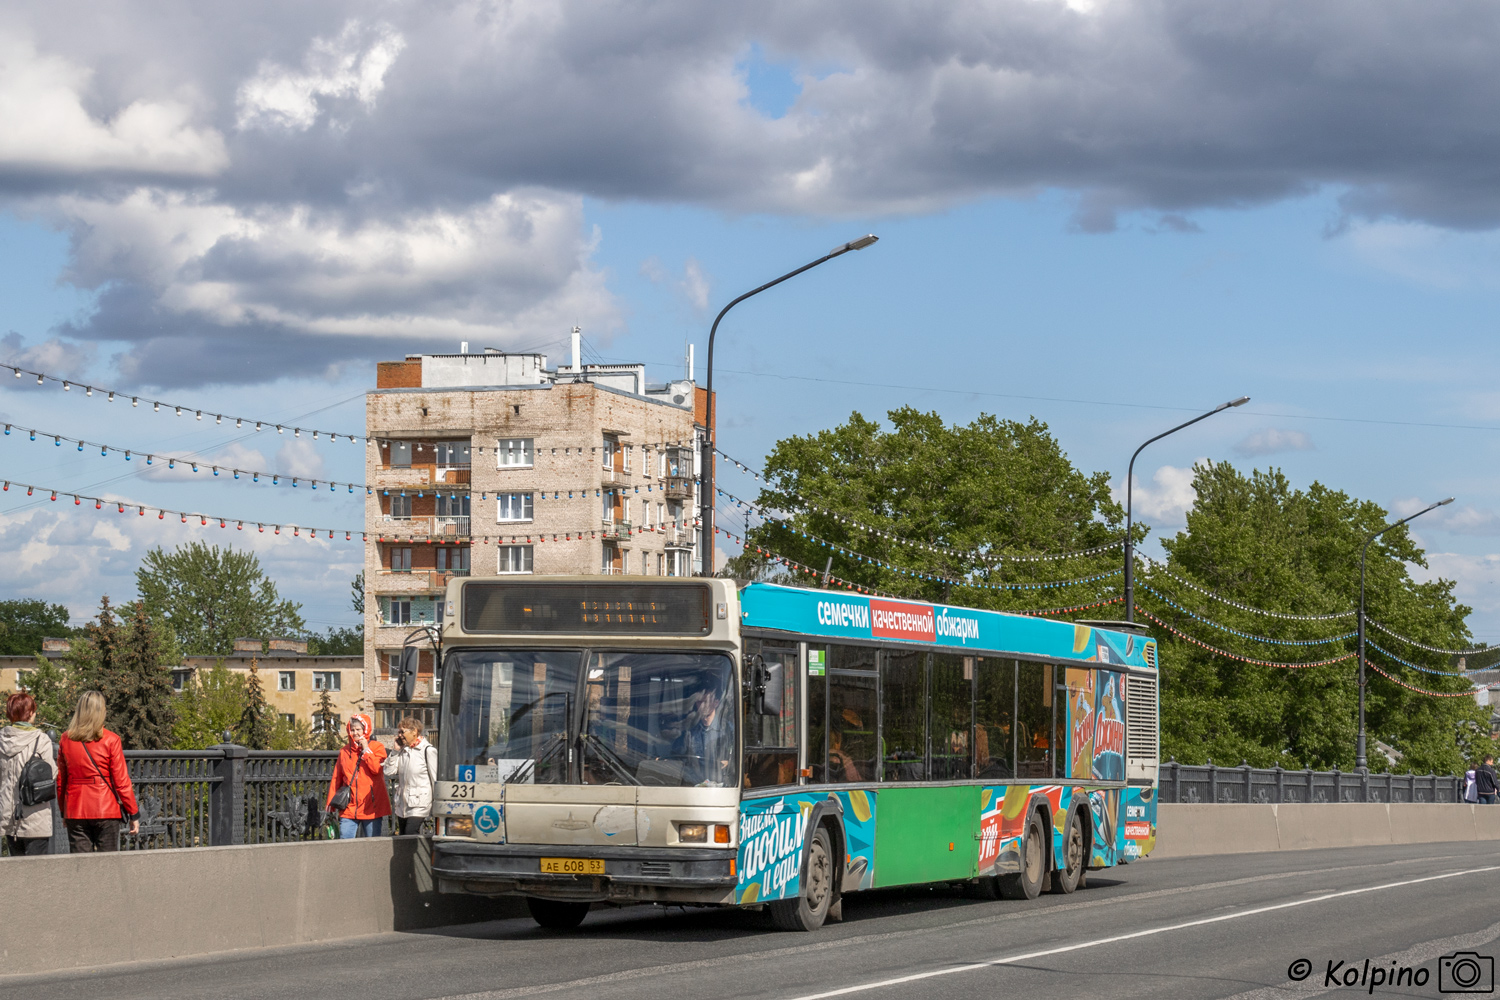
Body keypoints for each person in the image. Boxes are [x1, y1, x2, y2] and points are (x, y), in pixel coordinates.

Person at [56, 691, 139, 852]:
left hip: (76, 808)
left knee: (81, 867)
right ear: (102, 711)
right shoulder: (111, 739)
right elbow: (121, 782)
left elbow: (61, 782)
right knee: (106, 866)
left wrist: (63, 811)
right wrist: (133, 813)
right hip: (105, 808)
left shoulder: (65, 739)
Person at [0, 692, 55, 855]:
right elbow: (51, 774)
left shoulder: (1, 740)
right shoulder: (41, 740)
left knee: (17, 871)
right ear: (29, 713)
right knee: (36, 874)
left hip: (9, 817)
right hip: (35, 816)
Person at [326, 714, 391, 838]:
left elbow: (376, 769)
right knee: (345, 843)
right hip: (349, 806)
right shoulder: (344, 751)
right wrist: (330, 804)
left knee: (372, 845)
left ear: (365, 730)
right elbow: (336, 778)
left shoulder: (377, 747)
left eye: (358, 729)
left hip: (371, 806)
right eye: (352, 729)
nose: (355, 733)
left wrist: (366, 749)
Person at [383, 716, 437, 835]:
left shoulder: (428, 751)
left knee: (410, 833)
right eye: (399, 732)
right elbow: (388, 771)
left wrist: (437, 804)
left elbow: (435, 779)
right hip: (403, 804)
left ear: (414, 732)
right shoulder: (403, 750)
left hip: (420, 803)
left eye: (403, 732)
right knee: (403, 838)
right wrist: (395, 751)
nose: (400, 735)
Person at [672, 683, 731, 785]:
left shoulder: (728, 730)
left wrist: (730, 762)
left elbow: (737, 760)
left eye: (705, 701)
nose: (701, 705)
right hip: (694, 787)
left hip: (720, 789)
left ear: (716, 703)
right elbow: (677, 757)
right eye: (699, 702)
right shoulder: (690, 732)